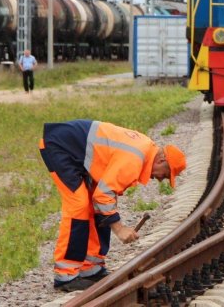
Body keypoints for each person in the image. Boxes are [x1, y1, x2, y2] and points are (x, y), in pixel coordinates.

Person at [38, 120, 187, 292]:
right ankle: (65, 276)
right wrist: (120, 229)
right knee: (78, 205)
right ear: (161, 160)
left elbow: (103, 197)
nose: (161, 179)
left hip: (70, 146)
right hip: (60, 146)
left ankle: (91, 269)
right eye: (166, 174)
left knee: (94, 207)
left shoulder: (145, 150)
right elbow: (104, 196)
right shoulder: (135, 159)